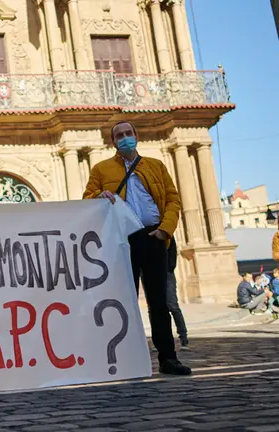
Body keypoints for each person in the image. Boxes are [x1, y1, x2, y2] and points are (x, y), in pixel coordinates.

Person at [83, 120, 191, 375]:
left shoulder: (156, 166)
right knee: (124, 301)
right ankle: (125, 359)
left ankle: (168, 358)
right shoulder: (101, 169)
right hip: (122, 241)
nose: (125, 138)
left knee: (159, 302)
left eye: (128, 133)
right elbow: (87, 199)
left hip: (154, 236)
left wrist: (165, 229)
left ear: (136, 135)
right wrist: (99, 196)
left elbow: (173, 199)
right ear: (113, 142)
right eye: (119, 135)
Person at [166, 237, 189, 350]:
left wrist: (169, 268)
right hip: (149, 275)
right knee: (155, 309)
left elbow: (172, 250)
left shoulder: (166, 229)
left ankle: (183, 338)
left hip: (166, 274)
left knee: (173, 306)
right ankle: (162, 340)